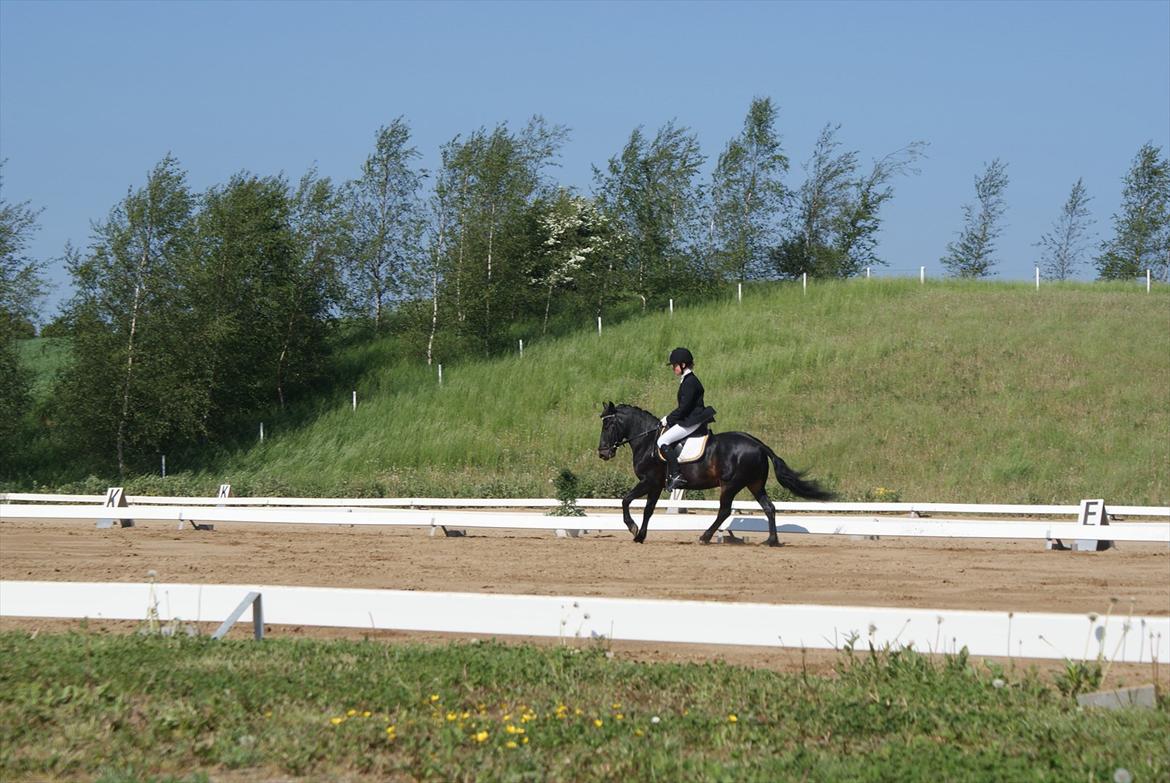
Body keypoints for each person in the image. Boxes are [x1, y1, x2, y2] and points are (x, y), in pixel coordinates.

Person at [657, 347, 715, 490]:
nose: (673, 369)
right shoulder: (687, 380)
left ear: (683, 365)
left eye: (675, 365)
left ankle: (676, 474)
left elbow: (684, 408)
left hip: (691, 421)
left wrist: (668, 419)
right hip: (690, 418)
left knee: (662, 440)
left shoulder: (690, 382)